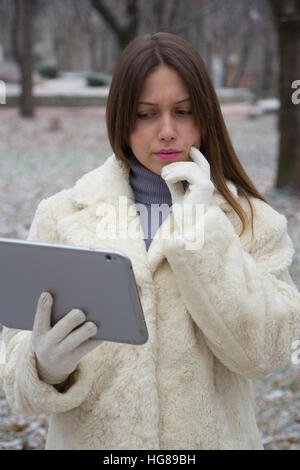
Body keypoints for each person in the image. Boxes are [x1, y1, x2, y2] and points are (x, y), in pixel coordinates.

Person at [1, 32, 300, 450]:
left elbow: (265, 355)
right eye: (145, 114)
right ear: (121, 118)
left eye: (184, 112)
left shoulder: (251, 221)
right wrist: (44, 366)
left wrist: (201, 231)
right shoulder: (62, 216)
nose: (166, 131)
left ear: (207, 116)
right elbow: (16, 378)